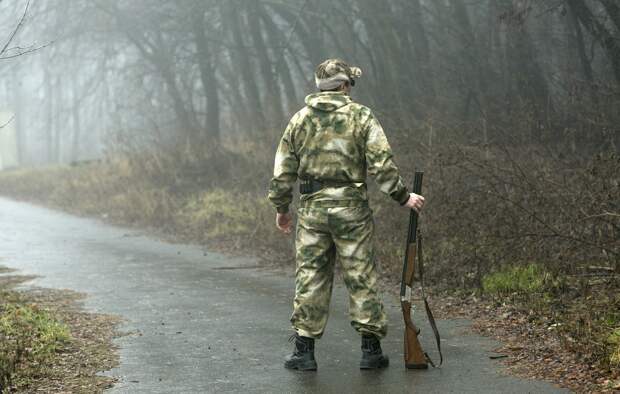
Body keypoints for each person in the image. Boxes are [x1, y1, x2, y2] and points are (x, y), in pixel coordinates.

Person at [267, 58, 425, 371]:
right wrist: (402, 196)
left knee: (310, 277)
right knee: (360, 274)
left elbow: (283, 169)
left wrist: (282, 208)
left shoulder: (299, 120)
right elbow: (381, 163)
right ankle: (370, 351)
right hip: (352, 207)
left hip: (312, 208)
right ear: (343, 85)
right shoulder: (361, 116)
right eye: (350, 83)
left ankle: (304, 351)